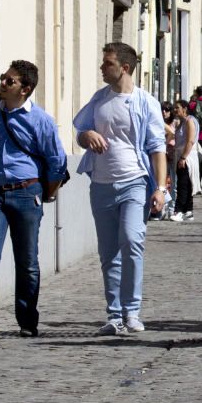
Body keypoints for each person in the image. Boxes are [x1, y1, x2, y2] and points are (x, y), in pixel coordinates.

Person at [0, 59, 67, 338]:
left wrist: (48, 192)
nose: (2, 84)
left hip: (26, 193)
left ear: (25, 89)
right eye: (3, 78)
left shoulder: (40, 120)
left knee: (27, 261)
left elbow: (57, 162)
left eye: (10, 81)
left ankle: (28, 320)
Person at [74, 42, 168, 335]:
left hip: (134, 180)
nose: (103, 68)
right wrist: (87, 135)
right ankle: (114, 315)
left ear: (124, 68)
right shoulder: (99, 99)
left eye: (108, 64)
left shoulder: (144, 102)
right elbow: (80, 132)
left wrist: (160, 188)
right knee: (108, 252)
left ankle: (132, 311)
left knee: (132, 240)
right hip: (102, 183)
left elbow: (157, 147)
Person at [169, 100, 198, 222]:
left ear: (185, 108)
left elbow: (190, 140)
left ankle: (179, 211)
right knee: (186, 184)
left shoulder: (189, 121)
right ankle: (188, 211)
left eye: (177, 107)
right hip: (181, 155)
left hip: (187, 156)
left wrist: (183, 158)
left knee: (182, 185)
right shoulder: (181, 122)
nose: (175, 110)